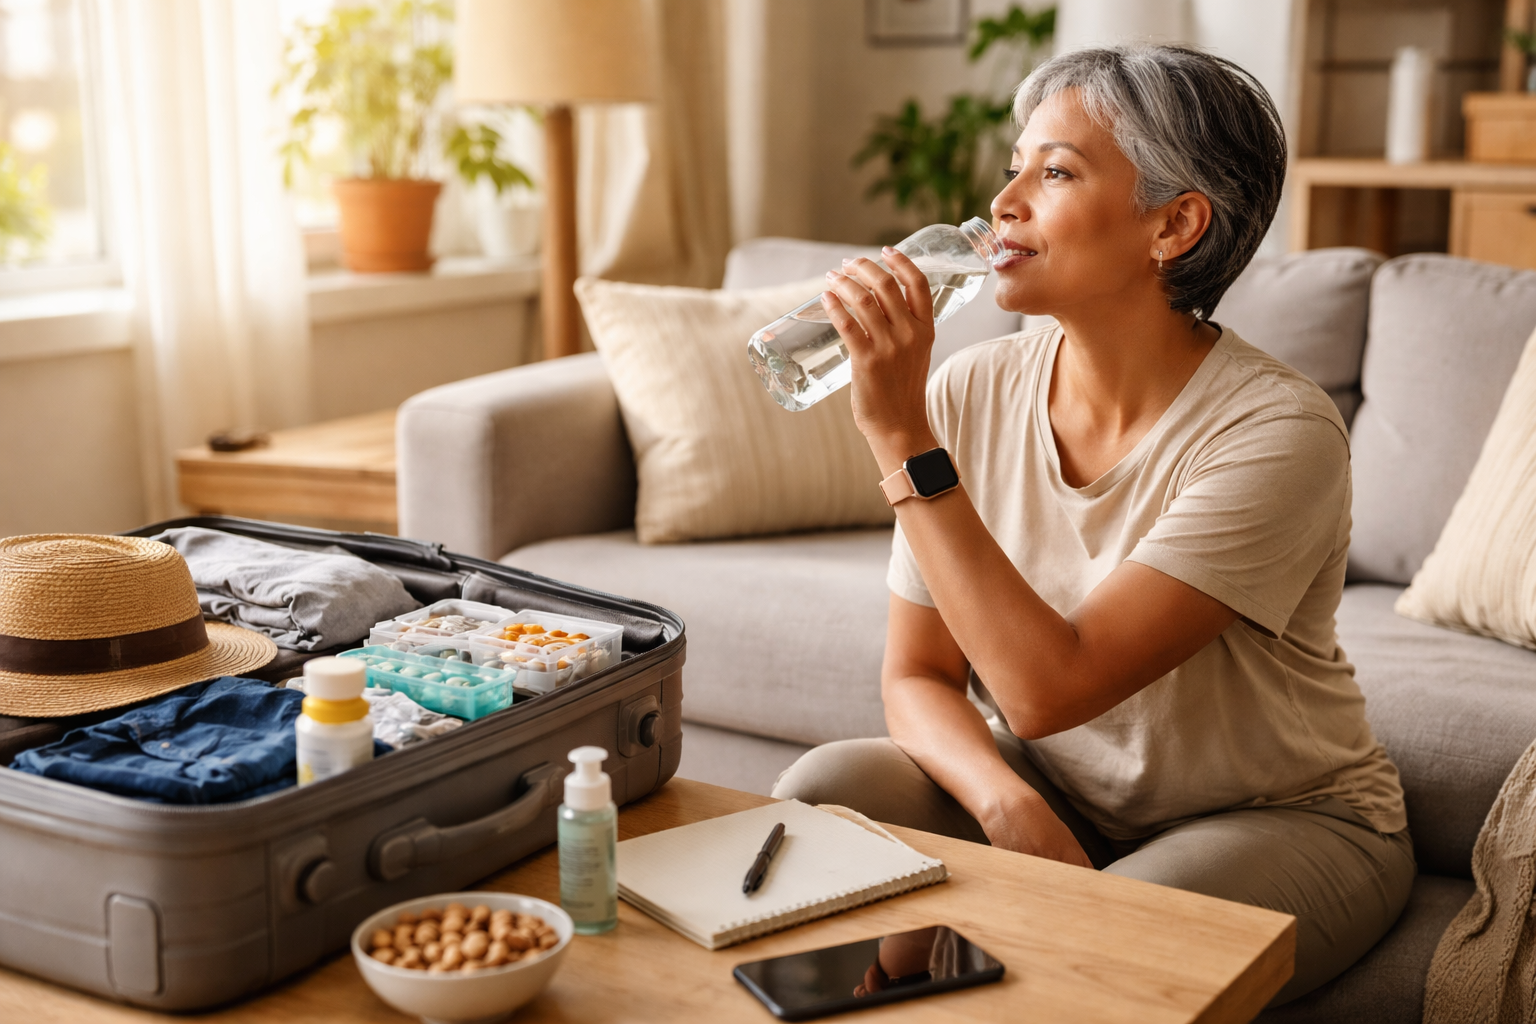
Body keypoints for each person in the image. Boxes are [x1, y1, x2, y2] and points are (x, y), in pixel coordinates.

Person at [771, 45, 1413, 1004]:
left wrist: (901, 436)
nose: (1006, 203)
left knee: (1095, 952)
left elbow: (1045, 688)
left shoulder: (1279, 434)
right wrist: (1007, 804)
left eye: (1056, 171)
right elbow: (916, 675)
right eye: (1014, 168)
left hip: (1280, 816)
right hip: (1056, 781)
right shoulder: (975, 388)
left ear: (1174, 225)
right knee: (821, 796)